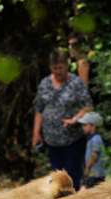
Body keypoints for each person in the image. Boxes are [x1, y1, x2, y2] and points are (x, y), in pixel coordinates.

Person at [33, 49, 94, 191]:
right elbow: (39, 109)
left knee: (72, 178)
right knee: (56, 180)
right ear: (50, 68)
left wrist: (75, 118)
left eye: (61, 67)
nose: (58, 71)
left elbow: (88, 106)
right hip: (51, 141)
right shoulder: (45, 84)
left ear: (66, 66)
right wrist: (36, 132)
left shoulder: (76, 82)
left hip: (72, 140)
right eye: (55, 68)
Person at [78, 112, 106, 189]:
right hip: (93, 173)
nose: (82, 127)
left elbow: (95, 154)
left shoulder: (96, 138)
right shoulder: (92, 138)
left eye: (85, 125)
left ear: (93, 126)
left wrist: (87, 168)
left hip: (96, 174)